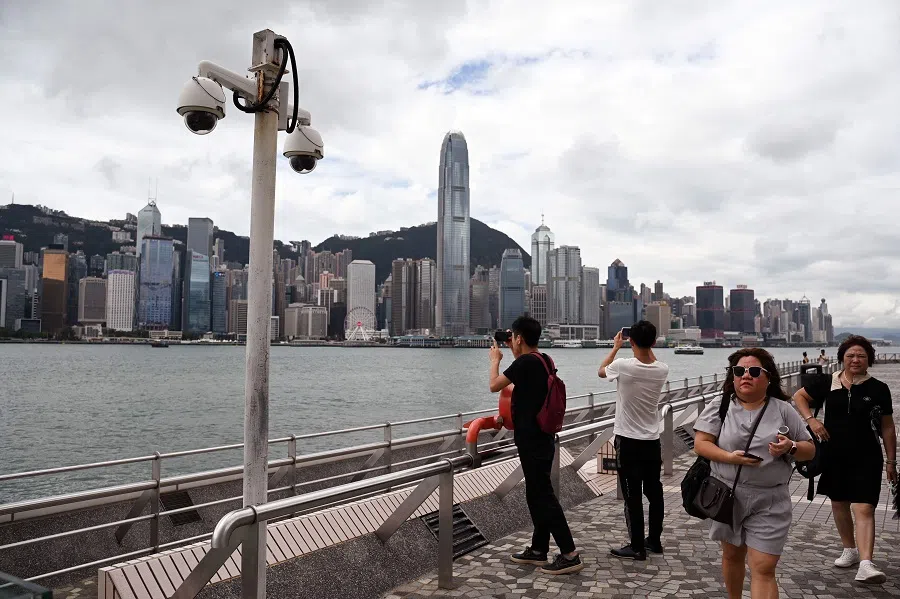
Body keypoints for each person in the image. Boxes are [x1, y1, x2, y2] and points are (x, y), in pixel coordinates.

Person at [693, 348, 816, 599]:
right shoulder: (721, 405)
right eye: (739, 371)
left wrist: (790, 447)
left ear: (768, 377)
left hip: (770, 500)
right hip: (726, 494)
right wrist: (729, 457)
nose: (745, 376)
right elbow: (701, 443)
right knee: (731, 555)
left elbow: (810, 450)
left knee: (763, 567)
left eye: (754, 371)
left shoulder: (783, 410)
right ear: (733, 377)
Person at [793, 335, 897, 584]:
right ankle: (849, 549)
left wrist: (891, 461)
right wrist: (812, 420)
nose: (855, 360)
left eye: (861, 355)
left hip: (867, 455)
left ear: (869, 360)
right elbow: (799, 396)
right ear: (842, 358)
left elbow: (888, 428)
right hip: (834, 453)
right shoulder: (828, 383)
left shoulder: (879, 388)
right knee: (839, 503)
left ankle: (866, 563)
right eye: (850, 355)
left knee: (864, 507)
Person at [488, 316, 584, 575]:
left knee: (543, 495)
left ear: (519, 338)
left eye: (514, 338)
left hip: (532, 439)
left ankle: (569, 553)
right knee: (536, 493)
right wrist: (513, 348)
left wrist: (495, 361)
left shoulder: (525, 363)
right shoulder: (543, 359)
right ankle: (539, 549)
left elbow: (494, 385)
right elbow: (524, 375)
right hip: (543, 436)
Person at [598, 320, 669, 560]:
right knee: (654, 492)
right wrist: (645, 345)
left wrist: (616, 347)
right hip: (652, 440)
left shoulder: (623, 365)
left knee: (632, 496)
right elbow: (652, 358)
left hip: (628, 441)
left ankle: (637, 546)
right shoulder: (662, 369)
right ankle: (654, 541)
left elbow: (601, 371)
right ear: (654, 342)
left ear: (630, 340)